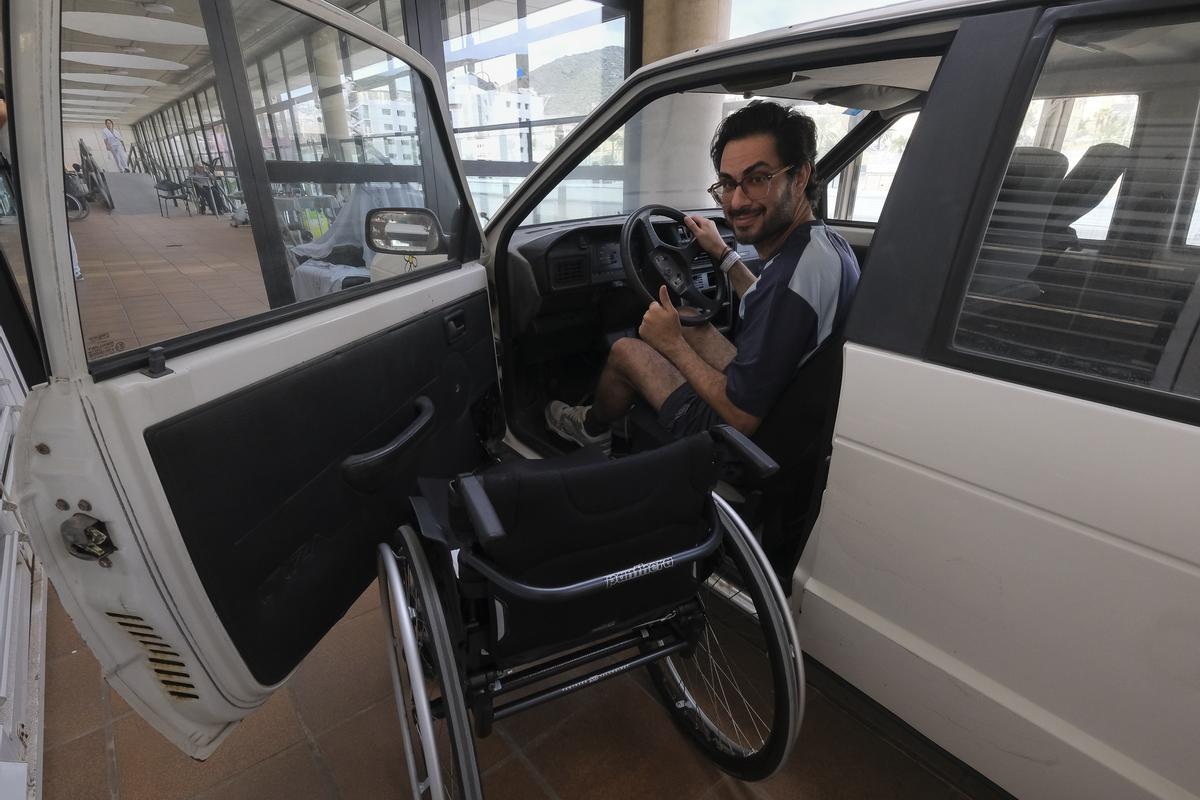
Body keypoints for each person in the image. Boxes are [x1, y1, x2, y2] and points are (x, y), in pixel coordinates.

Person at [545, 100, 860, 450]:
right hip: (786, 405)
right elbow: (768, 303)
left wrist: (672, 345)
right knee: (690, 317)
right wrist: (723, 255)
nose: (737, 202)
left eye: (757, 179)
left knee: (625, 351)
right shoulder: (822, 248)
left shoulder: (790, 280)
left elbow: (741, 417)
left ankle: (591, 430)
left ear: (799, 177)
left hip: (745, 441)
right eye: (727, 183)